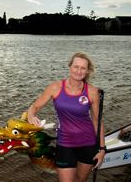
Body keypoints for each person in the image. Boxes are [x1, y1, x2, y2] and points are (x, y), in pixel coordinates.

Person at [27, 52, 105, 182]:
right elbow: (34, 106)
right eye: (76, 67)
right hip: (65, 144)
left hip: (88, 144)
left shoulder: (92, 91)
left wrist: (102, 148)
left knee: (80, 180)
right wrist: (31, 115)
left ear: (87, 71)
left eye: (83, 68)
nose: (78, 71)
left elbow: (97, 121)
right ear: (70, 67)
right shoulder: (55, 87)